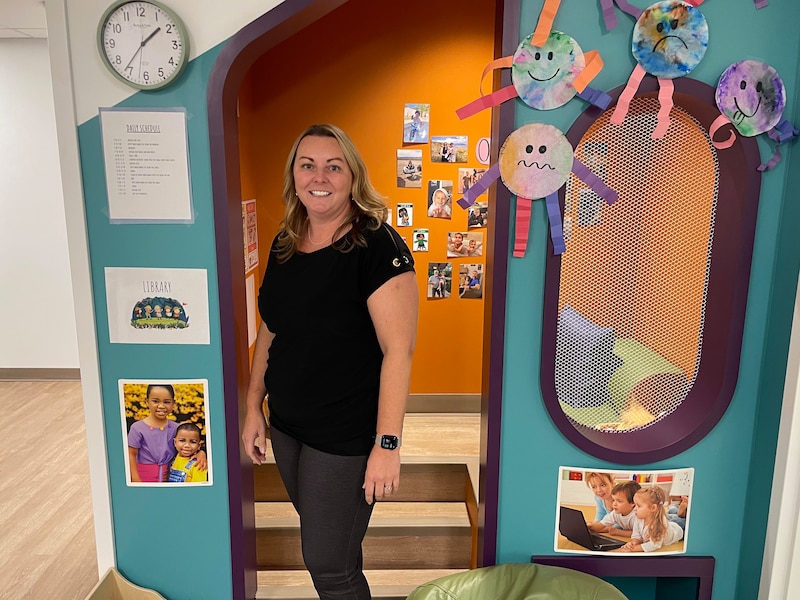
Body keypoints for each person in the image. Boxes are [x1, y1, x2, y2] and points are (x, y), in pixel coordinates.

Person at [242, 123, 418, 600]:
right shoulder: (284, 244)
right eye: (308, 165)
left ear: (351, 176)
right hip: (288, 427)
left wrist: (387, 444)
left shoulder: (377, 246)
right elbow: (270, 329)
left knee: (327, 566)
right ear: (294, 176)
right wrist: (253, 406)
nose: (319, 176)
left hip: (345, 437)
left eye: (333, 166)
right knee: (336, 550)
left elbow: (397, 351)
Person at [127, 384, 206, 483]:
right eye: (155, 401)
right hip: (144, 478)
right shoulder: (137, 428)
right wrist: (135, 479)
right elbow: (131, 454)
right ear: (147, 402)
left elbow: (188, 446)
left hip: (168, 479)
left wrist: (201, 453)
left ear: (173, 403)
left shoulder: (176, 428)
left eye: (167, 402)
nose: (161, 406)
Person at [621, 486, 684, 552]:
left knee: (680, 519)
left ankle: (680, 510)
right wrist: (633, 543)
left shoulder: (659, 523)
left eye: (639, 506)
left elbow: (655, 545)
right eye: (635, 505)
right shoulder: (639, 517)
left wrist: (635, 549)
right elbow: (636, 535)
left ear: (653, 508)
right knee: (672, 515)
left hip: (678, 531)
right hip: (670, 523)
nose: (634, 509)